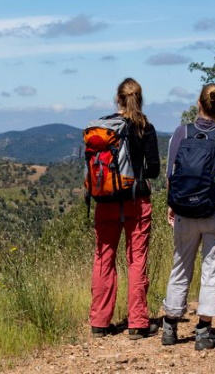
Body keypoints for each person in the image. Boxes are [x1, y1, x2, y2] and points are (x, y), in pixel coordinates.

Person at [160, 84, 215, 349]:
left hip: (185, 211)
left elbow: (170, 174)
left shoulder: (180, 132)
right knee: (212, 270)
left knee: (180, 265)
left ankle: (169, 326)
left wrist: (172, 204)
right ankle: (203, 331)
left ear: (199, 103)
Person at [89, 77, 161, 340]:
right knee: (136, 260)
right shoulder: (145, 128)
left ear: (118, 99)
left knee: (103, 260)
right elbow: (153, 170)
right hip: (136, 202)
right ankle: (138, 323)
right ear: (139, 99)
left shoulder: (104, 126)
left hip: (105, 202)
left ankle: (99, 322)